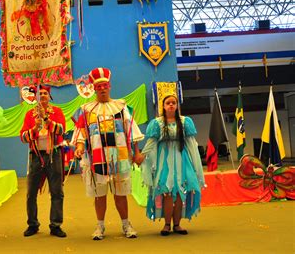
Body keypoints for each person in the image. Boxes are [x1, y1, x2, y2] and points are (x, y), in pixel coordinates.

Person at [72, 67, 144, 240]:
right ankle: (100, 227)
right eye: (98, 87)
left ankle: (126, 225)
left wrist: (136, 152)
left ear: (109, 86)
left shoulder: (121, 107)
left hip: (119, 157)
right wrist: (80, 147)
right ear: (94, 89)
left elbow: (130, 130)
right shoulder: (86, 110)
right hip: (96, 158)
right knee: (99, 194)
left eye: (105, 85)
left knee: (121, 193)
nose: (102, 89)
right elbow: (81, 131)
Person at [140, 94, 205, 236]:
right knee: (167, 192)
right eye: (168, 103)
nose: (171, 105)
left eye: (173, 103)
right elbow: (151, 142)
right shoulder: (157, 123)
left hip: (182, 160)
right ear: (163, 106)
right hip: (164, 162)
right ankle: (166, 225)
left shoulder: (185, 122)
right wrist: (142, 156)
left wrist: (195, 164)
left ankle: (177, 225)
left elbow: (191, 144)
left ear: (177, 105)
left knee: (181, 193)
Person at [20, 85, 67, 238]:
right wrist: (34, 129)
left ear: (49, 96)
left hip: (54, 155)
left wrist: (46, 120)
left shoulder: (57, 112)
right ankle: (32, 224)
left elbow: (61, 131)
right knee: (31, 192)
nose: (43, 95)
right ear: (36, 97)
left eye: (45, 93)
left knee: (57, 191)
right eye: (40, 93)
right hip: (35, 156)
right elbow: (23, 137)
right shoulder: (29, 115)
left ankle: (56, 225)